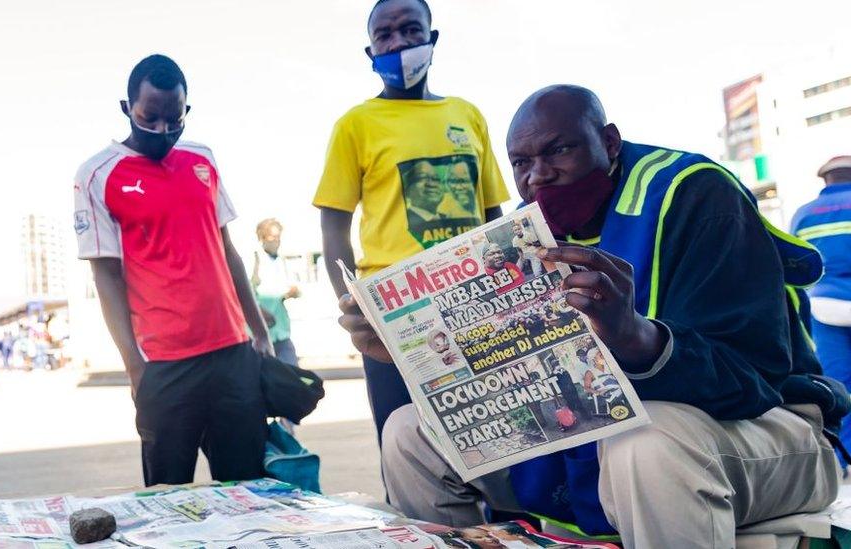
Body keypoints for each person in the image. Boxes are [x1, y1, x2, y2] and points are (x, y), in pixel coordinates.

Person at [342, 85, 846, 547]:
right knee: (410, 432)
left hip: (770, 431)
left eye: (558, 150)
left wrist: (638, 338)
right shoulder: (524, 237)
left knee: (646, 442)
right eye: (520, 162)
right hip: (585, 440)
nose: (537, 175)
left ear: (608, 142)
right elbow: (503, 386)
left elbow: (754, 378)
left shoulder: (695, 195)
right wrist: (410, 354)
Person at [73, 54, 279, 485]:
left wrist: (259, 333)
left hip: (232, 355)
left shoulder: (202, 158)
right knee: (168, 503)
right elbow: (105, 275)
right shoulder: (97, 175)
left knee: (249, 492)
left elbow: (228, 250)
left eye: (175, 118)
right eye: (150, 118)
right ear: (127, 108)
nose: (163, 130)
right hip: (164, 366)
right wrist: (135, 367)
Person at [314, 0, 509, 445]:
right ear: (370, 52)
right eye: (384, 34)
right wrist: (352, 304)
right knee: (406, 442)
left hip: (473, 303)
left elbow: (492, 212)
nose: (398, 42)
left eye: (410, 30)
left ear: (432, 39)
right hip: (392, 315)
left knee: (494, 438)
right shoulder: (355, 125)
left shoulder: (467, 115)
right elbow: (333, 227)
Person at [792, 155, 851, 459]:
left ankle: (843, 458)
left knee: (839, 382)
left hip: (825, 305)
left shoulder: (804, 215)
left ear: (826, 180)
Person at [251, 218, 301, 366]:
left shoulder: (281, 260)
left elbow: (295, 289)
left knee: (292, 377)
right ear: (262, 238)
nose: (277, 241)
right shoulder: (254, 260)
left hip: (281, 332)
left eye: (279, 238)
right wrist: (258, 312)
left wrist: (293, 292)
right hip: (261, 335)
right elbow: (245, 293)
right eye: (273, 238)